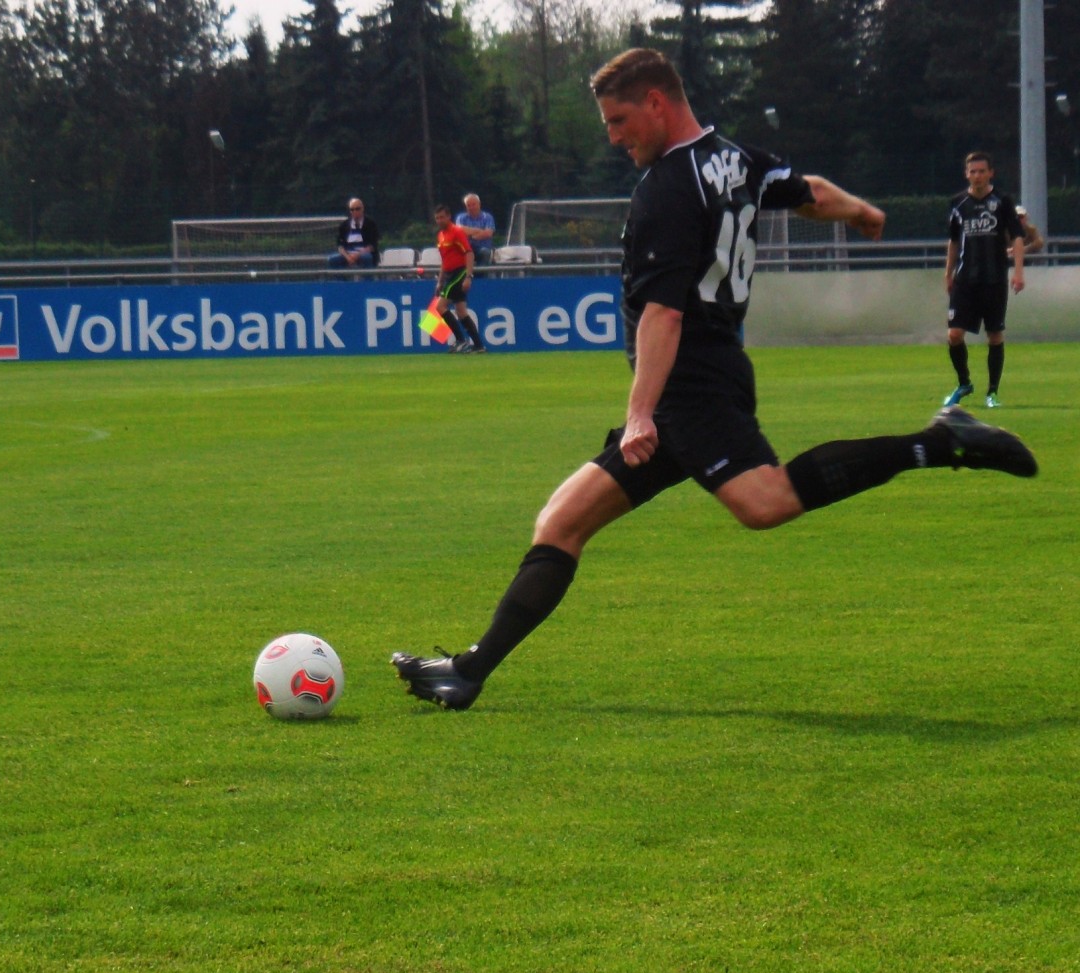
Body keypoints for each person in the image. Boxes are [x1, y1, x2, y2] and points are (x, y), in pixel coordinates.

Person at [390, 47, 1038, 711]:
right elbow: (808, 192)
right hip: (700, 376)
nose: (614, 137)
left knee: (766, 502)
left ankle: (937, 440)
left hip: (689, 385)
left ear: (656, 103)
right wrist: (859, 211)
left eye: (618, 121)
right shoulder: (737, 159)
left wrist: (641, 411)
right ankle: (468, 671)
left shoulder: (667, 190)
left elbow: (663, 314)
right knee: (561, 521)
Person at [943, 152, 1024, 410]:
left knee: (995, 335)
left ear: (991, 173)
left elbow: (1018, 237)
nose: (977, 176)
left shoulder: (1002, 201)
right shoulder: (957, 203)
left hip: (994, 278)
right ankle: (964, 383)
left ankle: (992, 392)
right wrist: (948, 272)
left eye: (981, 171)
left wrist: (1019, 271)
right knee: (954, 334)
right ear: (966, 174)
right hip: (966, 279)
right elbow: (954, 240)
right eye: (972, 171)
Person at [432, 204, 485, 353]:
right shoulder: (441, 236)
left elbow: (469, 253)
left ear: (449, 217)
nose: (439, 220)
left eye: (442, 217)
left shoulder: (456, 232)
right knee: (461, 311)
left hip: (459, 273)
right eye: (437, 218)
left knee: (440, 307)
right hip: (449, 273)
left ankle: (461, 340)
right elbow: (444, 260)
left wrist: (468, 276)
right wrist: (440, 281)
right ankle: (479, 345)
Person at [327, 198, 379, 269]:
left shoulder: (370, 224)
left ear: (362, 209)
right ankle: (340, 279)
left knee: (367, 258)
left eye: (357, 209)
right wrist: (348, 257)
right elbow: (340, 245)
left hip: (364, 254)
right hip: (348, 254)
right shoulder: (344, 225)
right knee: (332, 260)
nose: (355, 212)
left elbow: (373, 245)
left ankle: (367, 279)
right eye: (352, 209)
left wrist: (357, 254)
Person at [455, 193, 496, 265]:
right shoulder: (461, 218)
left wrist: (469, 235)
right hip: (466, 249)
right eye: (468, 205)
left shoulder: (487, 217)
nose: (471, 207)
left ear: (479, 204)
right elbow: (459, 232)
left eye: (473, 204)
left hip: (483, 248)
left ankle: (481, 275)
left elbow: (488, 234)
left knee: (486, 253)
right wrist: (479, 231)